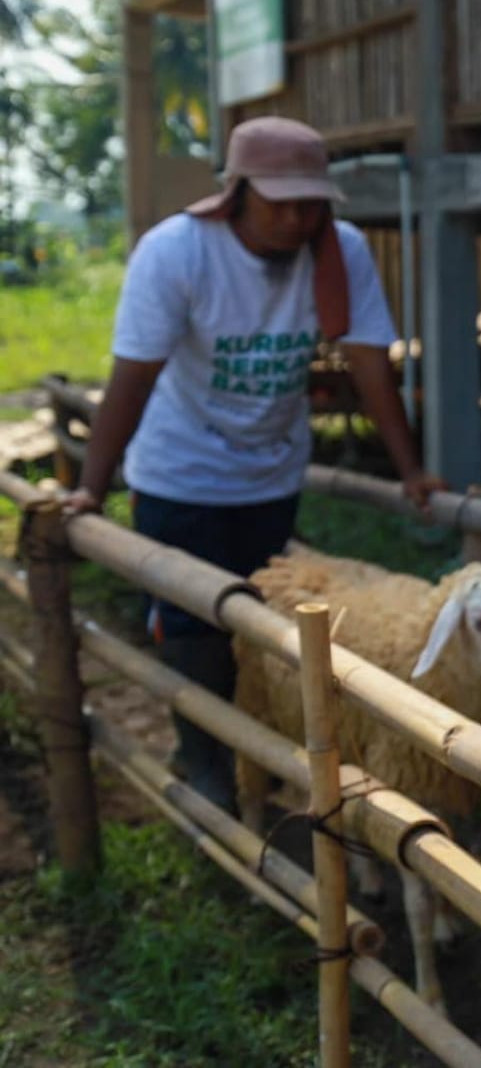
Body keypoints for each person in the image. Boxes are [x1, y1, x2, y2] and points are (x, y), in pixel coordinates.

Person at [63, 116, 444, 812]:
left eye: (311, 203)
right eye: (282, 202)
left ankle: (258, 761)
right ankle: (203, 759)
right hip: (180, 475)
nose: (298, 219)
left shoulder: (339, 249)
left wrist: (411, 470)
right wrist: (90, 488)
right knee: (192, 628)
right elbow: (133, 376)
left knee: (261, 628)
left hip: (271, 475)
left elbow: (369, 365)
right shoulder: (176, 252)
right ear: (235, 193)